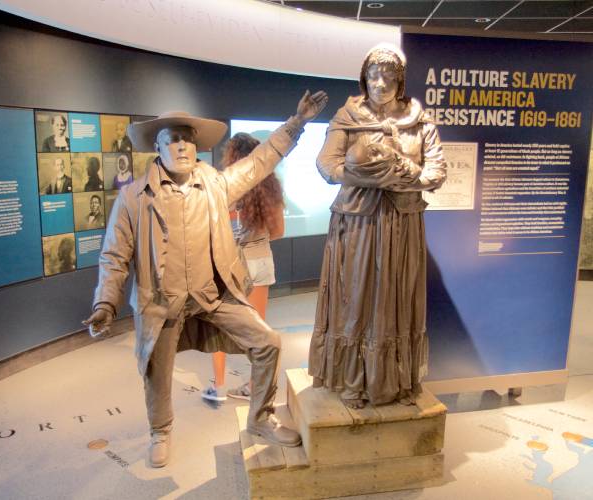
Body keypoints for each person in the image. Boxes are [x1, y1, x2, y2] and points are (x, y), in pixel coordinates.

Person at [83, 90, 328, 468]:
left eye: (187, 138)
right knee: (157, 370)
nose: (182, 145)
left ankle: (260, 416)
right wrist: (105, 302)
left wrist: (296, 124)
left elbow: (261, 161)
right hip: (162, 303)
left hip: (215, 296)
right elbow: (114, 255)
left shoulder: (216, 184)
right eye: (172, 139)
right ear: (158, 147)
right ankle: (160, 431)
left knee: (268, 343)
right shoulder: (134, 198)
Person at [308, 43, 446, 409]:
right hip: (357, 224)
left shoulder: (420, 121)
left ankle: (397, 382)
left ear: (400, 82)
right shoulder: (348, 116)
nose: (379, 83)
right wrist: (361, 175)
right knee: (356, 299)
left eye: (388, 76)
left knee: (398, 298)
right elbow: (326, 164)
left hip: (402, 225)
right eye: (373, 75)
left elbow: (436, 173)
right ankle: (352, 380)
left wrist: (402, 172)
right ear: (363, 78)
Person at [201, 133, 285, 403]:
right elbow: (278, 232)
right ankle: (253, 387)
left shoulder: (225, 186)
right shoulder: (270, 187)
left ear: (231, 157)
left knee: (220, 328)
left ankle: (220, 387)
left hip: (231, 265)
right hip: (261, 260)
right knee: (257, 331)